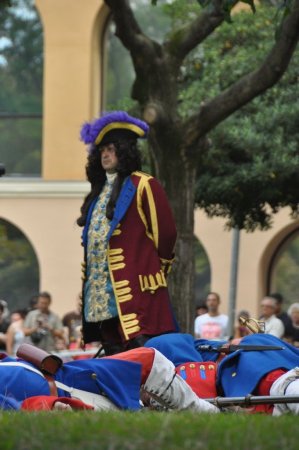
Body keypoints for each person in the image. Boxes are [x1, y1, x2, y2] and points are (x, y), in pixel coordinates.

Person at [77, 111, 178, 355]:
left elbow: (166, 233)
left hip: (137, 290)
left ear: (124, 151)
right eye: (101, 150)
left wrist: (154, 270)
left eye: (111, 149)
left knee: (142, 352)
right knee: (112, 351)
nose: (105, 154)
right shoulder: (97, 194)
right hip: (101, 293)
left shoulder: (143, 184)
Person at [0, 343, 218, 413]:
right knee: (150, 359)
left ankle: (206, 411)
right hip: (70, 392)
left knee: (151, 358)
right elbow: (17, 406)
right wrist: (54, 404)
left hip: (68, 375)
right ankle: (207, 412)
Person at [145, 332, 299, 415]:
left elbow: (194, 374)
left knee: (281, 385)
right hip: (258, 356)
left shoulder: (155, 346)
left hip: (246, 359)